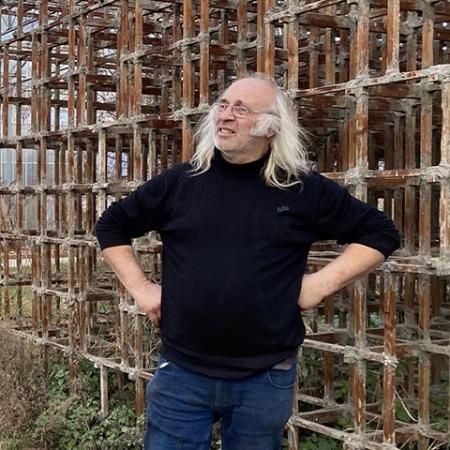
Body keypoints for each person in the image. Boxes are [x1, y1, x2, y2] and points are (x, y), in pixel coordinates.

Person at [95, 74, 400, 450]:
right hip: (182, 371)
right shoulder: (181, 183)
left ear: (270, 127)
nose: (224, 115)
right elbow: (112, 225)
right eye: (222, 105)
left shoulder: (299, 188)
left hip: (265, 375)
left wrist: (318, 285)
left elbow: (380, 232)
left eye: (240, 109)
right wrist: (141, 289)